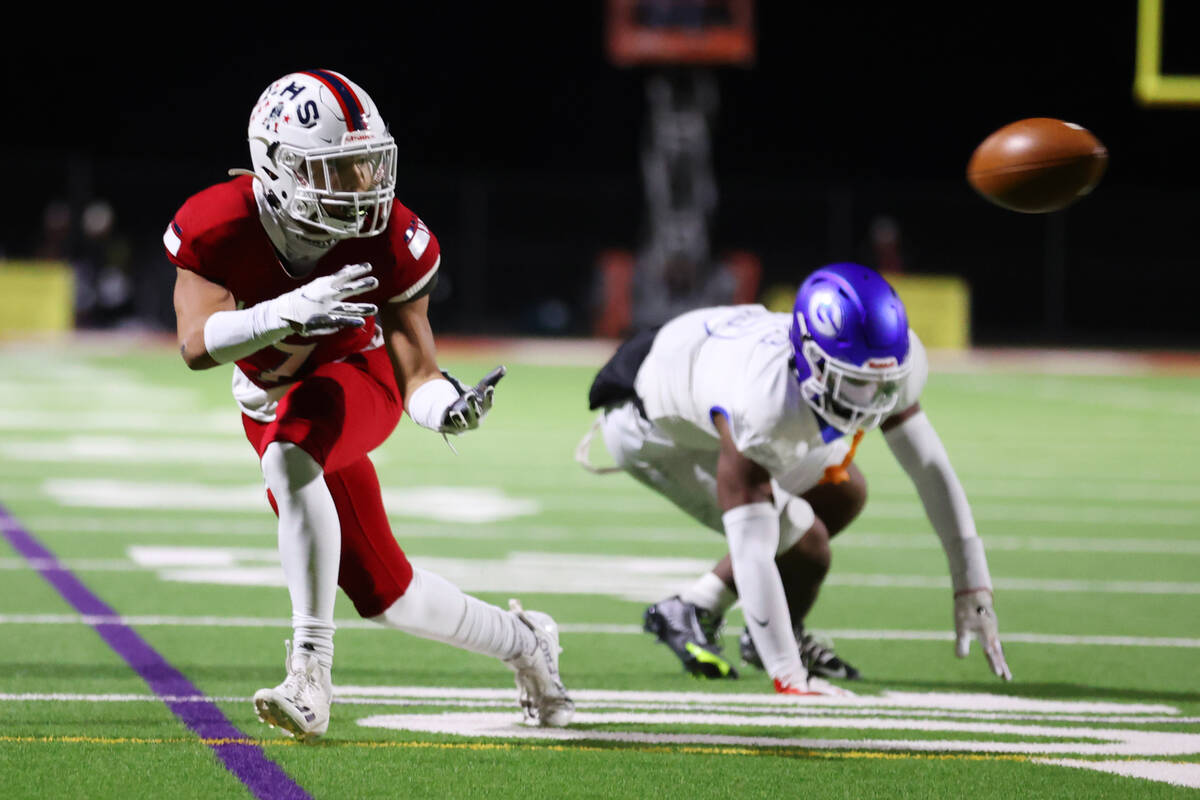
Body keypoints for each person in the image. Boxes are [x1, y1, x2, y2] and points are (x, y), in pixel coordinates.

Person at [165, 69, 574, 740]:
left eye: (364, 163)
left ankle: (310, 674)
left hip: (361, 376)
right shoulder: (219, 221)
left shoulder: (390, 236)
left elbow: (416, 367)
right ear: (277, 166)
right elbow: (195, 345)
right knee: (390, 596)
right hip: (271, 403)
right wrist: (286, 312)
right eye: (336, 167)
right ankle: (525, 641)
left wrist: (443, 406)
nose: (361, 185)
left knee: (292, 459)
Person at [577, 262, 1010, 694]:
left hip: (703, 359)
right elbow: (752, 546)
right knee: (806, 542)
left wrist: (971, 583)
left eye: (881, 385)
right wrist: (788, 677)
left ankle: (694, 609)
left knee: (844, 492)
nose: (870, 403)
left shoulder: (885, 362)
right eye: (855, 384)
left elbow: (929, 466)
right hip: (652, 426)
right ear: (809, 359)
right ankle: (771, 642)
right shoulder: (760, 402)